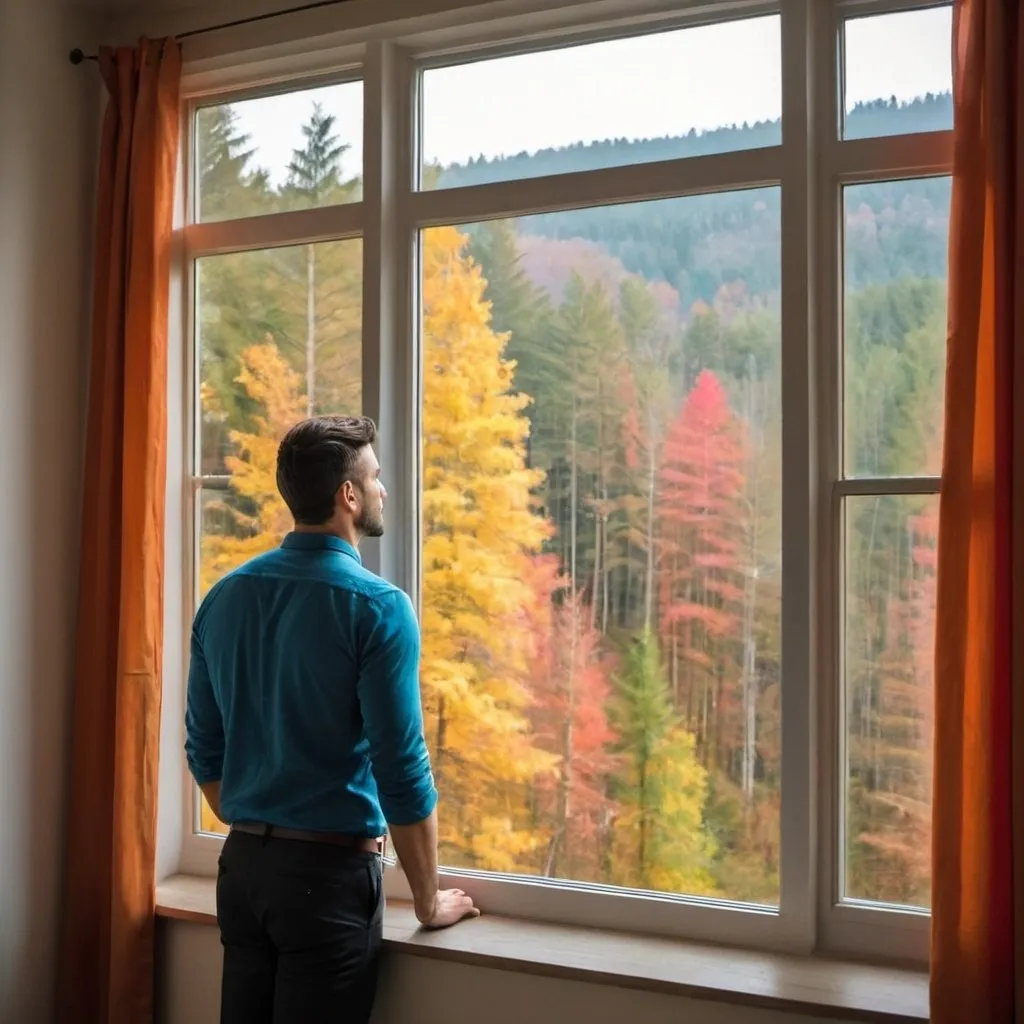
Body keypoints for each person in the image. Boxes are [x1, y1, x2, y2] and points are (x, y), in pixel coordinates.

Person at [185, 414, 478, 1024]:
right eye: (374, 478)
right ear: (347, 495)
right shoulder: (377, 607)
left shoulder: (225, 596)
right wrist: (426, 900)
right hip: (327, 883)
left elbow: (204, 748)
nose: (382, 490)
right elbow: (401, 766)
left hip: (242, 875)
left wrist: (259, 821)